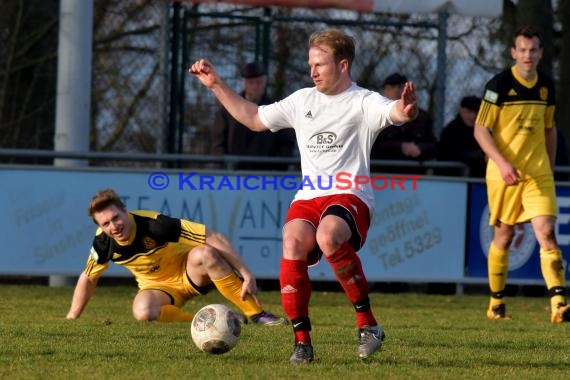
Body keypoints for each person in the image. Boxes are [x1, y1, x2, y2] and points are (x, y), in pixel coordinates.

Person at [189, 28, 418, 363]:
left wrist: (406, 110)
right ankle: (302, 342)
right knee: (292, 240)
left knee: (328, 236)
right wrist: (216, 86)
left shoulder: (363, 101)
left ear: (342, 65)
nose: (313, 71)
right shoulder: (302, 100)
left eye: (320, 64)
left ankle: (368, 325)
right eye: (310, 64)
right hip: (310, 196)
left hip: (350, 194)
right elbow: (253, 118)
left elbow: (395, 113)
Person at [65, 188, 288, 326]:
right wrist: (72, 317)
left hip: (191, 273)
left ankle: (257, 314)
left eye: (116, 217)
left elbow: (212, 236)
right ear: (100, 227)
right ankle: (207, 320)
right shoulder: (103, 243)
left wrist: (246, 274)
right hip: (158, 289)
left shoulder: (155, 225)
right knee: (142, 311)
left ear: (125, 210)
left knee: (205, 252)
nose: (114, 226)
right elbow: (89, 278)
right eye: (106, 223)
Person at [473, 25, 570, 323]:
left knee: (546, 232)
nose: (528, 55)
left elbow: (549, 130)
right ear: (513, 52)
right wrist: (502, 164)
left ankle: (558, 305)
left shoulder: (547, 86)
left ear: (541, 53)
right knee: (504, 235)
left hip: (537, 173)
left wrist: (548, 169)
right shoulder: (499, 84)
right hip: (503, 174)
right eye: (522, 50)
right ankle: (496, 304)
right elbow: (480, 130)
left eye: (533, 50)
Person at [211, 61, 296, 170]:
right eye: (251, 82)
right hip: (233, 177)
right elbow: (218, 143)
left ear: (264, 82)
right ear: (244, 83)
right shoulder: (226, 111)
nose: (255, 86)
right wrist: (225, 169)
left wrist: (274, 171)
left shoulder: (277, 110)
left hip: (266, 178)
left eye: (259, 82)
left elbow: (285, 145)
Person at [370, 73, 437, 173]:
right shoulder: (374, 115)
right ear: (385, 91)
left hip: (415, 176)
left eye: (400, 87)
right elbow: (370, 147)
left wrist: (421, 148)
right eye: (392, 87)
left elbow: (434, 147)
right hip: (383, 176)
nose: (396, 90)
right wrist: (400, 147)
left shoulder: (422, 117)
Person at [438, 95, 486, 177]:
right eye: (468, 112)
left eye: (476, 112)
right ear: (461, 110)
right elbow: (457, 153)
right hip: (452, 178)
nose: (472, 116)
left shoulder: (482, 130)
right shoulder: (451, 130)